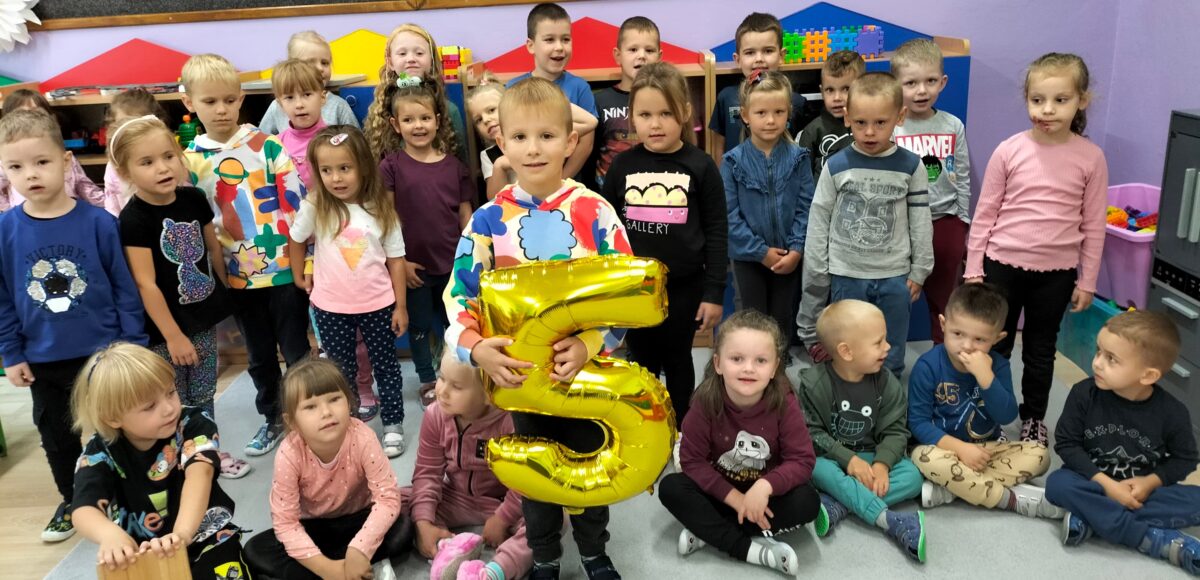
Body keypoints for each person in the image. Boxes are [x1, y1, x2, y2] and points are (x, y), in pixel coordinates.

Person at [443, 77, 631, 580]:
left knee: (589, 465)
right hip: (522, 381)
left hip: (585, 377)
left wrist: (591, 343)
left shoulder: (595, 212)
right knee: (534, 473)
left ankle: (594, 552)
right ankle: (544, 556)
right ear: (501, 142)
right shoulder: (487, 221)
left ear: (570, 141)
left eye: (546, 136)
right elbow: (459, 295)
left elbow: (624, 292)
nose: (533, 149)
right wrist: (476, 348)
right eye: (520, 137)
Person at [0, 109, 146, 542]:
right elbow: (4, 298)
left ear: (66, 161)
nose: (30, 174)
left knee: (119, 431)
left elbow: (124, 288)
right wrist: (11, 352)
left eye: (41, 162)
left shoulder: (100, 223)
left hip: (105, 356)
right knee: (58, 440)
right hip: (43, 359)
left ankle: (130, 497)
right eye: (15, 167)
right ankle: (74, 501)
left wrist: (134, 343)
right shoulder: (5, 231)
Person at [964, 52, 1108, 446]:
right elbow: (985, 213)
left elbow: (1094, 225)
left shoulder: (1091, 158)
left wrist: (1088, 281)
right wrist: (974, 268)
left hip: (1056, 275)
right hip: (1001, 266)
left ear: (1082, 100)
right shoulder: (1009, 150)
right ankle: (990, 412)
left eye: (1060, 100)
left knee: (1040, 351)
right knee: (996, 345)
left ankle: (1033, 418)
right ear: (1026, 99)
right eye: (1037, 100)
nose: (1047, 110)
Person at [181, 53, 310, 457]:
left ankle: (307, 416)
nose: (221, 110)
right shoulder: (189, 161)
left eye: (229, 100)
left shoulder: (267, 146)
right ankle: (273, 417)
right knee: (259, 355)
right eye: (209, 101)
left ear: (240, 100)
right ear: (189, 103)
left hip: (284, 269)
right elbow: (196, 221)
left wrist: (305, 259)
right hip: (235, 277)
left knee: (297, 351)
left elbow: (297, 204)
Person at [111, 115, 247, 479]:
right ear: (125, 172)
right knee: (170, 399)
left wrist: (222, 293)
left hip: (201, 318)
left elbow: (211, 247)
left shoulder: (193, 198)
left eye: (168, 156)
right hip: (164, 330)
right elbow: (146, 284)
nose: (162, 168)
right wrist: (173, 336)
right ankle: (172, 462)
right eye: (147, 162)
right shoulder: (133, 219)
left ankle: (206, 453)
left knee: (203, 392)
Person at [601, 61, 727, 423]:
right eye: (645, 115)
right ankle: (647, 427)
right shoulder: (622, 166)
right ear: (632, 117)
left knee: (678, 360)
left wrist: (713, 293)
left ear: (685, 113)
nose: (655, 124)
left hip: (685, 288)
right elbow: (606, 229)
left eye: (666, 113)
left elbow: (718, 231)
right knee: (641, 362)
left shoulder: (701, 165)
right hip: (635, 290)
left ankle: (682, 429)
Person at [658, 309, 819, 576]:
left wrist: (765, 486)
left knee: (808, 502)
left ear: (774, 368)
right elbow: (692, 461)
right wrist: (736, 500)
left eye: (761, 360)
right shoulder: (705, 402)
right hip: (719, 493)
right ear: (718, 363)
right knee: (672, 488)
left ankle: (709, 531)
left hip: (766, 495)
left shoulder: (784, 402)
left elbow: (802, 460)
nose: (748, 368)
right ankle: (749, 549)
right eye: (737, 358)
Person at [70, 343, 250, 577]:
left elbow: (200, 475)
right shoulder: (100, 451)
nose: (169, 409)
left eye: (171, 392)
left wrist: (181, 535)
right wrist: (110, 535)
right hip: (144, 552)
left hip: (207, 538)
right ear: (112, 417)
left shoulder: (193, 422)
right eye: (150, 406)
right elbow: (83, 508)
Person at [1046, 311, 1200, 575]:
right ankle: (1148, 538)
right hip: (1091, 482)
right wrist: (1109, 487)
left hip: (1139, 493)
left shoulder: (1173, 413)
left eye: (1111, 359)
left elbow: (1185, 459)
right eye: (1098, 351)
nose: (1097, 363)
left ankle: (1092, 518)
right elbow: (1067, 444)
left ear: (1147, 375)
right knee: (1058, 484)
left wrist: (1150, 482)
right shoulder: (1084, 393)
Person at [801, 72, 933, 377]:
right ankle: (850, 393)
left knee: (891, 345)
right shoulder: (836, 165)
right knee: (848, 344)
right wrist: (819, 265)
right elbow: (819, 218)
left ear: (900, 117)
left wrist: (920, 269)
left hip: (895, 276)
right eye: (860, 122)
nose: (870, 132)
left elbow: (920, 220)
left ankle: (888, 395)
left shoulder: (911, 166)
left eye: (880, 122)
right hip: (847, 273)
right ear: (847, 118)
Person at [288, 126, 409, 457]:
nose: (336, 178)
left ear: (363, 167)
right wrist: (299, 274)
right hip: (330, 308)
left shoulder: (380, 210)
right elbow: (296, 239)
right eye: (326, 170)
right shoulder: (316, 205)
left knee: (386, 366)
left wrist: (400, 306)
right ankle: (350, 425)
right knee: (341, 372)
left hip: (378, 305)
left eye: (345, 168)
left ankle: (393, 423)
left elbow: (396, 260)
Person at [243, 358, 411, 580]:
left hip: (359, 518)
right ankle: (349, 567)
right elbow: (285, 522)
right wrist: (326, 569)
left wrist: (360, 549)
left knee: (402, 527)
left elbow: (387, 498)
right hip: (314, 527)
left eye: (334, 399)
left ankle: (352, 562)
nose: (326, 412)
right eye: (310, 407)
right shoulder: (289, 453)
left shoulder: (363, 437)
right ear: (292, 422)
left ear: (349, 402)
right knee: (255, 550)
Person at [908, 283, 1058, 518]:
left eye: (979, 339)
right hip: (942, 450)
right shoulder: (927, 366)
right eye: (958, 334)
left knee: (1040, 455)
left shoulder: (998, 365)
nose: (967, 346)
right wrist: (961, 450)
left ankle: (953, 488)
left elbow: (1007, 416)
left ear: (997, 338)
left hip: (986, 451)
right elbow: (918, 424)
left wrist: (986, 377)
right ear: (943, 325)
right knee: (921, 458)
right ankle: (1007, 499)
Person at [798, 300, 925, 562]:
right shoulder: (814, 384)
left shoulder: (887, 382)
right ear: (846, 351)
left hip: (872, 455)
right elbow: (811, 435)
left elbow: (895, 431)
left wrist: (882, 464)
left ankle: (840, 504)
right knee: (812, 468)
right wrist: (848, 459)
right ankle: (887, 519)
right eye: (878, 342)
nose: (888, 347)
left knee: (913, 476)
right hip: (832, 458)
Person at [379, 77, 473, 409]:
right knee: (418, 326)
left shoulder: (455, 167)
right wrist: (399, 263)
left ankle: (458, 376)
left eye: (424, 118)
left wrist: (468, 259)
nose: (418, 125)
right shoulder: (390, 166)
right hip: (412, 266)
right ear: (396, 125)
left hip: (452, 264)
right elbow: (386, 216)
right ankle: (427, 380)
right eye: (408, 119)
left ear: (437, 120)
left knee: (454, 323)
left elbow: (465, 216)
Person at [404, 351, 531, 580]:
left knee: (551, 518)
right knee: (398, 501)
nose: (442, 391)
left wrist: (503, 518)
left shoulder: (512, 422)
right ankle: (449, 547)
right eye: (441, 378)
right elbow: (427, 473)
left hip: (502, 501)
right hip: (456, 496)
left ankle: (495, 572)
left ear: (489, 394)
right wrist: (422, 522)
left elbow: (524, 483)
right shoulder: (435, 415)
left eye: (456, 386)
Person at [723, 70, 814, 350]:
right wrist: (760, 252)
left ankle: (778, 364)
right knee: (753, 317)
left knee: (782, 315)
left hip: (788, 255)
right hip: (748, 258)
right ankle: (754, 360)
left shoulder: (799, 158)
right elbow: (729, 216)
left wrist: (796, 249)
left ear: (789, 113)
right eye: (761, 113)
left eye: (778, 112)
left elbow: (806, 206)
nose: (771, 120)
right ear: (746, 115)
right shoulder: (732, 162)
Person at [891, 39, 972, 345]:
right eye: (911, 83)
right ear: (896, 85)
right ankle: (889, 360)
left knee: (944, 302)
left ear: (943, 82)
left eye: (930, 81)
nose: (921, 91)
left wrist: (963, 221)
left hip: (945, 221)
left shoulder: (952, 125)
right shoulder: (892, 127)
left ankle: (945, 355)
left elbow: (962, 174)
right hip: (903, 227)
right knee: (898, 299)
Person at [795, 50, 864, 363]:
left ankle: (846, 338)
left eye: (846, 89)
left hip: (856, 222)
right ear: (821, 90)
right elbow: (801, 178)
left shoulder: (866, 128)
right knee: (816, 280)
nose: (837, 98)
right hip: (820, 219)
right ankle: (812, 337)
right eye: (830, 90)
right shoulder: (813, 130)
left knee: (847, 284)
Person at [509, 2, 600, 178]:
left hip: (566, 182)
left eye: (565, 39)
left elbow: (586, 144)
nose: (559, 47)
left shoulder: (580, 88)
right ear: (531, 45)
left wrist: (561, 180)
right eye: (549, 40)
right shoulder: (513, 88)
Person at [708, 12, 807, 165]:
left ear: (781, 56)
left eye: (768, 51)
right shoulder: (726, 97)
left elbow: (801, 146)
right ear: (738, 59)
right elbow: (718, 146)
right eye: (750, 52)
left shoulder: (796, 101)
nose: (759, 59)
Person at [364, 23, 467, 163]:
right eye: (402, 53)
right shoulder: (380, 110)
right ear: (390, 62)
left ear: (431, 60)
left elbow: (462, 164)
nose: (411, 59)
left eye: (419, 53)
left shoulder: (449, 110)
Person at [0, 89, 105, 212]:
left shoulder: (64, 157)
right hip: (26, 218)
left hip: (69, 214)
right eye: (21, 116)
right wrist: (9, 212)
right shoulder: (6, 162)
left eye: (37, 114)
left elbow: (83, 185)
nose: (30, 122)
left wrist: (106, 206)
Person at [591, 16, 662, 189]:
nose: (641, 56)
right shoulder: (601, 101)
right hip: (608, 194)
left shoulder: (665, 100)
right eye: (633, 49)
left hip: (655, 192)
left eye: (649, 50)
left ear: (659, 57)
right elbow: (590, 154)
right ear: (618, 55)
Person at [259, 30, 359, 135]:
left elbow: (356, 141)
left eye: (324, 63)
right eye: (310, 63)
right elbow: (261, 138)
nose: (320, 68)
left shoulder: (338, 106)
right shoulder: (277, 106)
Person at [101, 87, 175, 215]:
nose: (132, 134)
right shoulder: (113, 167)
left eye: (139, 127)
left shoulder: (168, 158)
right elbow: (112, 204)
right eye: (125, 125)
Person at [273, 58, 331, 189]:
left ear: (322, 97)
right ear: (280, 104)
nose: (299, 104)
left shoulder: (334, 141)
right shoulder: (275, 145)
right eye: (289, 97)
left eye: (307, 94)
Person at [466, 75, 514, 202]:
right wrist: (499, 166)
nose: (486, 120)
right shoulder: (488, 155)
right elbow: (494, 199)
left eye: (491, 110)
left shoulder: (532, 138)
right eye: (478, 120)